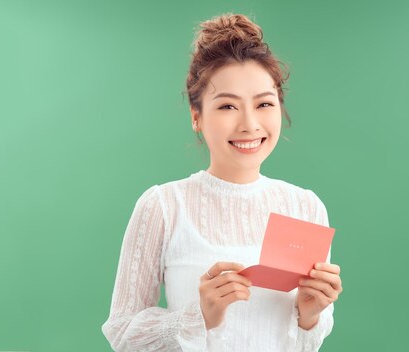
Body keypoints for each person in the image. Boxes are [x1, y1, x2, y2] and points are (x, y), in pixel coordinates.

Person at [101, 12, 343, 352]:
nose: (249, 124)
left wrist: (311, 315)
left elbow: (306, 343)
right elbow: (122, 332)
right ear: (196, 116)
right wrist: (198, 316)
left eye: (264, 104)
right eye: (228, 105)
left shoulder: (305, 207)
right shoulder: (164, 206)